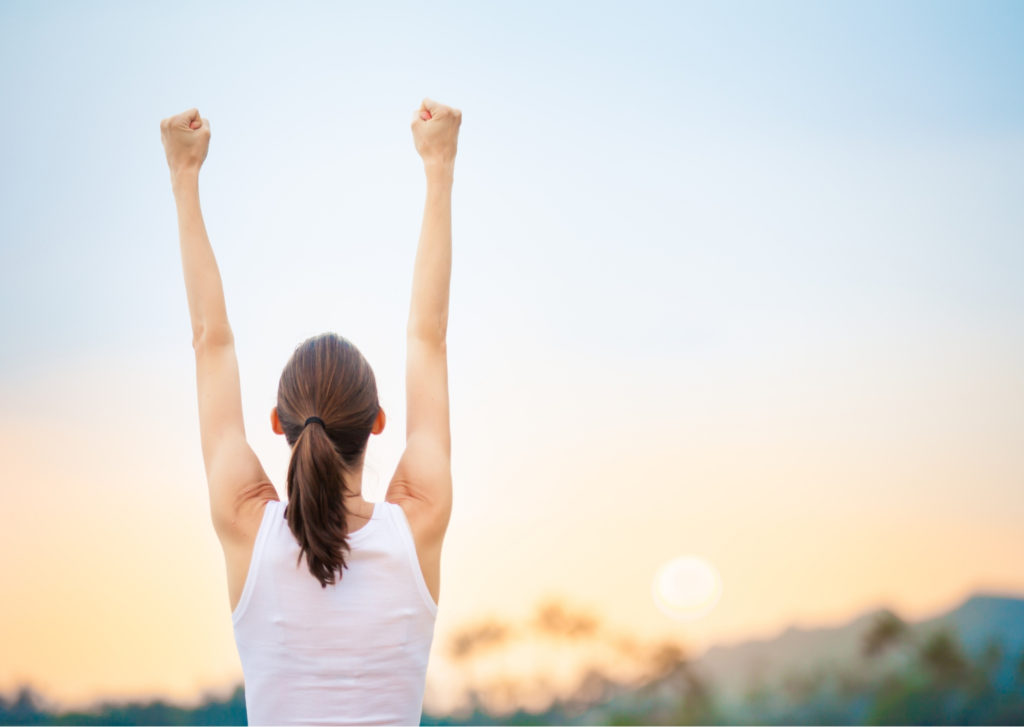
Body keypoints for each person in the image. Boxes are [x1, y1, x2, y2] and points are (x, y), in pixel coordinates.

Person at [160, 97, 461, 726]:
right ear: (378, 421)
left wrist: (184, 177)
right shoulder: (419, 521)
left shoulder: (249, 529)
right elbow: (427, 339)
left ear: (280, 423)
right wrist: (439, 165)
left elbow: (209, 341)